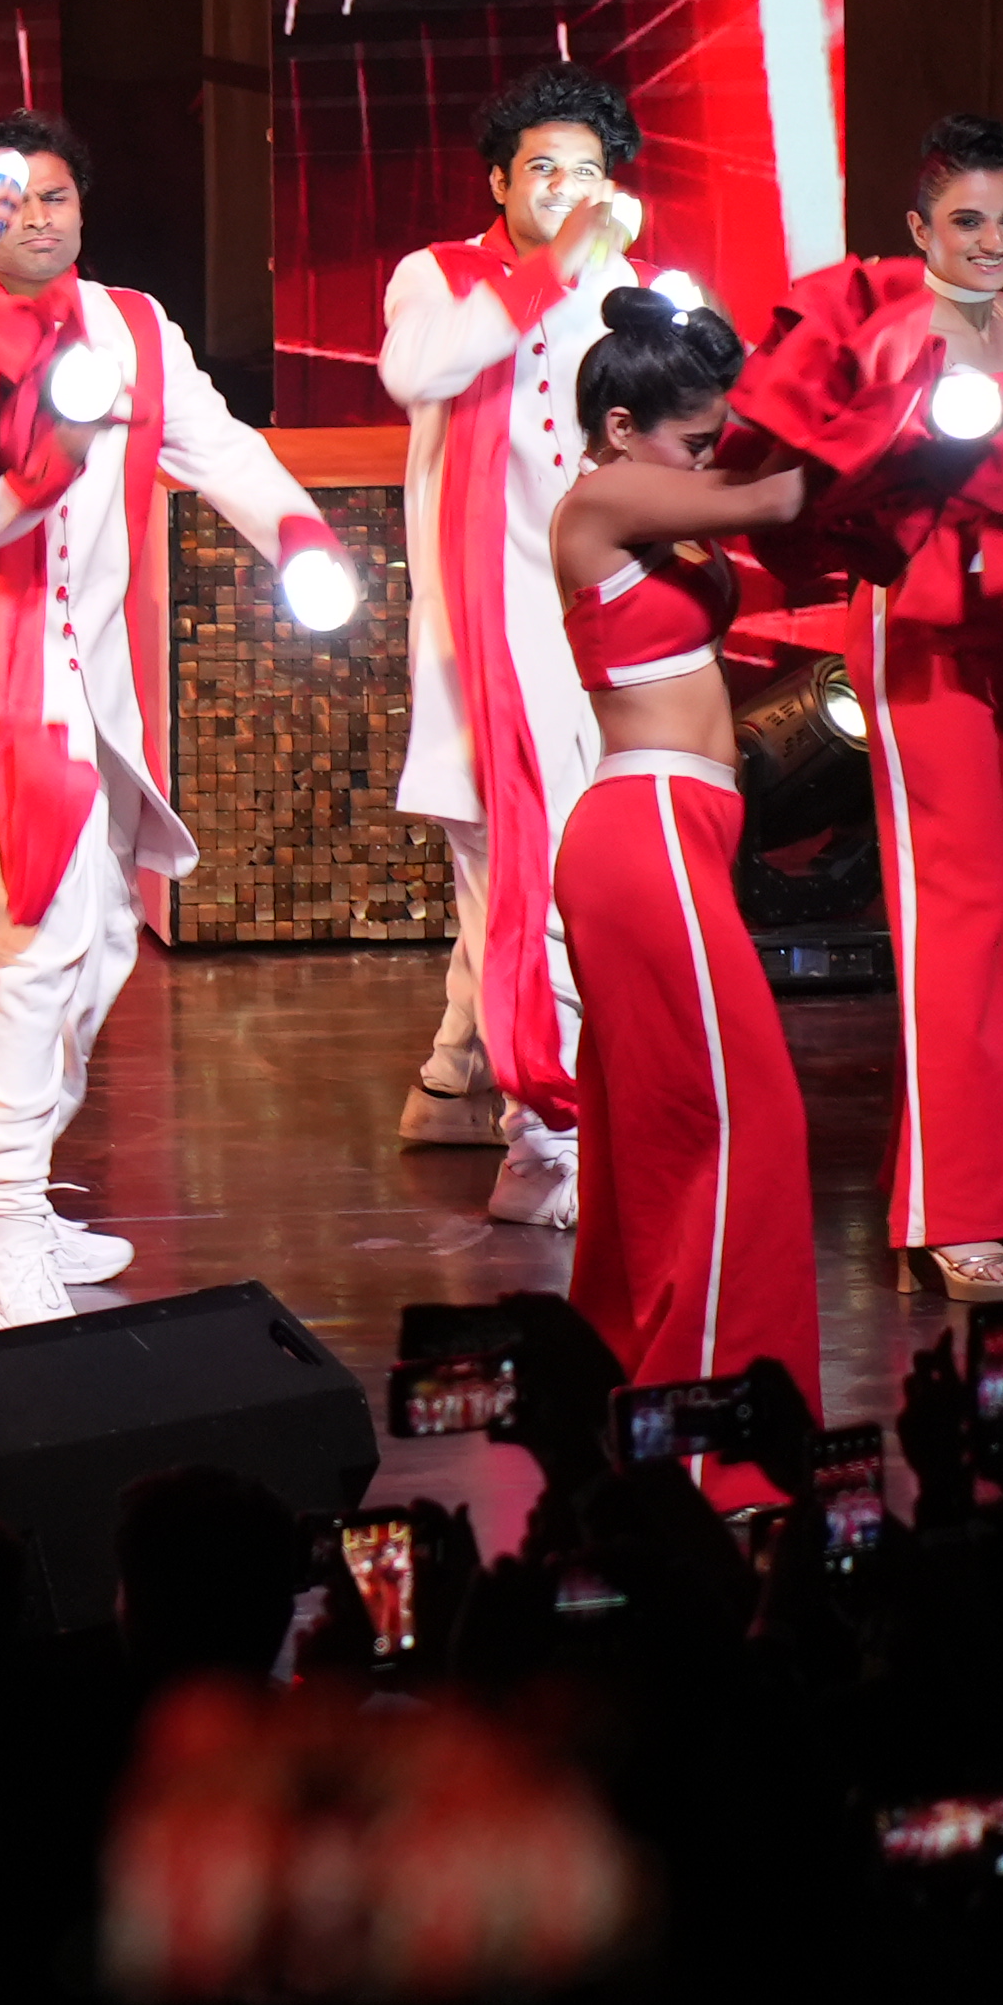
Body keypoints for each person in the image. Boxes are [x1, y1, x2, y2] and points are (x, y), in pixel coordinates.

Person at [0, 116, 354, 1319]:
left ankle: (8, 1187)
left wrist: (302, 536)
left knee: (93, 954)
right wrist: (51, 447)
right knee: (29, 951)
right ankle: (3, 1212)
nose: (33, 216)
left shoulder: (134, 327)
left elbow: (221, 447)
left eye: (53, 195)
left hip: (87, 708)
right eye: (5, 199)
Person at [534, 291, 819, 1384]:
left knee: (652, 1134)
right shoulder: (599, 502)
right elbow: (788, 493)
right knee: (739, 1123)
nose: (709, 460)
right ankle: (715, 1438)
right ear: (619, 426)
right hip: (643, 829)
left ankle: (627, 1397)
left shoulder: (663, 509)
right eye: (694, 439)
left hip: (676, 836)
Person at [384, 68, 649, 1229]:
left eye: (589, 172)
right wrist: (555, 265)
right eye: (543, 168)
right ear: (500, 182)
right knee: (529, 879)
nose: (568, 191)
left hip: (581, 613)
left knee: (520, 875)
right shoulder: (435, 278)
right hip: (481, 621)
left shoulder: (621, 282)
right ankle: (542, 1145)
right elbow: (420, 371)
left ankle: (455, 1078)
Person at [853, 113, 1003, 1298]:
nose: (992, 242)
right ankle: (953, 1213)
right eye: (966, 222)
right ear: (918, 228)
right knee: (955, 915)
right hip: (922, 627)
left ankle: (980, 1181)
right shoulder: (899, 342)